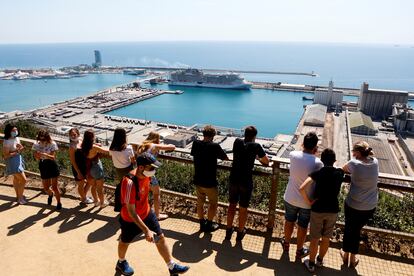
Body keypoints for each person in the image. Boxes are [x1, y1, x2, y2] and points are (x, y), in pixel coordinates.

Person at [116, 152, 190, 276]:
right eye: (151, 168)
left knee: (160, 238)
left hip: (146, 212)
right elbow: (131, 211)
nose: (154, 170)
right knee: (124, 241)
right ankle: (121, 262)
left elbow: (153, 191)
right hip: (130, 219)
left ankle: (171, 266)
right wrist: (146, 231)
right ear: (141, 168)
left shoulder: (148, 175)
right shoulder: (128, 183)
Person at [299, 148, 344, 272]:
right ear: (334, 161)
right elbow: (343, 169)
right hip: (333, 209)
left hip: (317, 209)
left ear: (321, 160)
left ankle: (311, 264)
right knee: (326, 238)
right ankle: (320, 261)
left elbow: (302, 188)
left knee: (314, 238)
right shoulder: (339, 174)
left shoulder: (317, 173)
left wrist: (309, 201)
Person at [281, 132, 323, 259]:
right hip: (307, 200)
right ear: (315, 147)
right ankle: (299, 250)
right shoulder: (318, 163)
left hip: (290, 197)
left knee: (289, 221)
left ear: (303, 143)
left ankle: (286, 244)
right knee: (303, 226)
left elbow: (300, 153)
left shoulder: (293, 155)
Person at [225, 126, 269, 241]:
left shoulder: (237, 142)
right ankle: (240, 232)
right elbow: (266, 162)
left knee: (232, 205)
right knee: (243, 208)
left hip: (233, 178)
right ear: (255, 136)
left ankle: (228, 231)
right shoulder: (256, 146)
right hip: (245, 180)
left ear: (244, 134)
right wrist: (257, 158)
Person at [340, 141, 378, 268]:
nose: (353, 154)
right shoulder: (375, 162)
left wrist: (354, 160)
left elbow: (343, 169)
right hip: (369, 206)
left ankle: (346, 255)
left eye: (354, 152)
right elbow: (369, 157)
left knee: (349, 228)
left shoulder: (354, 163)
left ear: (357, 152)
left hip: (353, 204)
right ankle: (352, 257)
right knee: (356, 230)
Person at [191, 125, 229, 232]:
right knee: (213, 203)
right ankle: (209, 224)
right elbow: (225, 157)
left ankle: (202, 223)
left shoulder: (196, 143)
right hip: (210, 181)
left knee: (200, 203)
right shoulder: (214, 146)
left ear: (203, 134)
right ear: (213, 136)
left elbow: (194, 154)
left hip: (198, 179)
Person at [137, 131, 175, 220]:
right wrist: (167, 144)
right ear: (156, 139)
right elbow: (172, 147)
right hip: (149, 174)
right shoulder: (154, 146)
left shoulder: (141, 146)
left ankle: (141, 212)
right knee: (156, 193)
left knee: (142, 193)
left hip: (139, 172)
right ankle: (157, 215)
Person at [32, 130, 62, 210]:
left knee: (55, 186)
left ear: (47, 138)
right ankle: (50, 194)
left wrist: (45, 155)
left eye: (43, 139)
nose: (42, 141)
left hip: (51, 164)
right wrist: (37, 155)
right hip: (43, 164)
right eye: (40, 139)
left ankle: (59, 203)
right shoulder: (36, 144)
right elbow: (36, 157)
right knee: (46, 187)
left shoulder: (52, 143)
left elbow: (53, 157)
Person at [81, 130, 109, 208]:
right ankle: (102, 204)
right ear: (92, 137)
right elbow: (107, 152)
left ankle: (96, 202)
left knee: (93, 186)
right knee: (100, 188)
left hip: (88, 168)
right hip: (96, 167)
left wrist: (96, 144)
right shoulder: (94, 147)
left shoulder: (83, 145)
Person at [2, 123, 27, 204]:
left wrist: (21, 148)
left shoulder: (16, 138)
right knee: (23, 180)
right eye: (13, 130)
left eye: (16, 130)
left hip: (18, 159)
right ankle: (20, 198)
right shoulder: (7, 142)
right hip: (12, 161)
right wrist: (16, 151)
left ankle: (18, 196)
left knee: (16, 179)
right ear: (9, 131)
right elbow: (6, 155)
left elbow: (19, 148)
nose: (15, 131)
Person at [68, 128, 93, 205]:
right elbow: (72, 161)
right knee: (81, 184)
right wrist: (78, 172)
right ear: (69, 136)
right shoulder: (72, 146)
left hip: (85, 166)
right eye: (71, 134)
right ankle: (84, 199)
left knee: (90, 181)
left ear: (78, 134)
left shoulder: (81, 140)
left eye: (74, 134)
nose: (73, 135)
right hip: (77, 168)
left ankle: (83, 197)